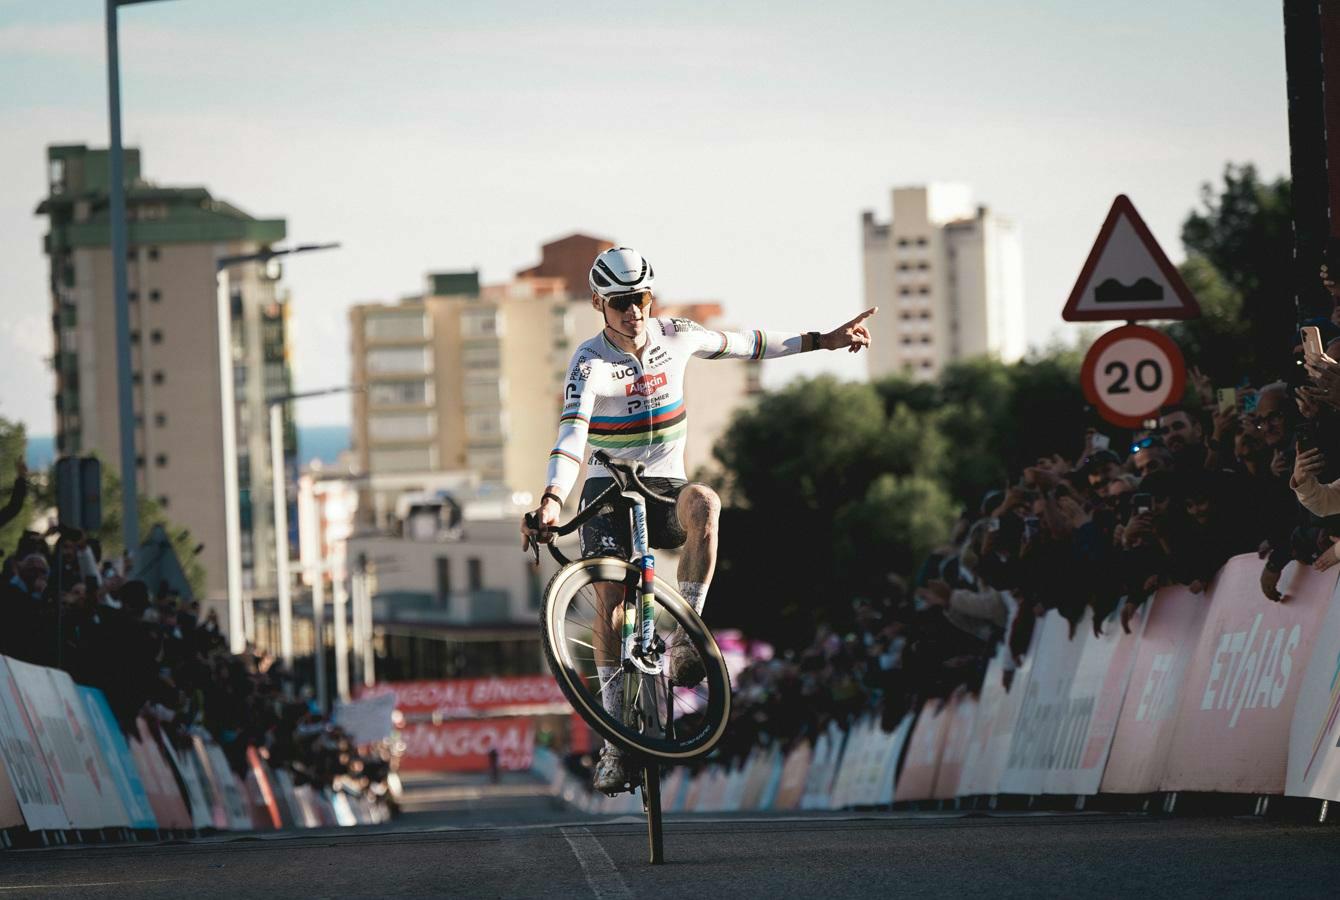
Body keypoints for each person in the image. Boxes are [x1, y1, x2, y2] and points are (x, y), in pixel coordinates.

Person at [519, 246, 876, 794]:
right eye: (619, 303)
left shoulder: (676, 334)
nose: (632, 312)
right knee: (613, 604)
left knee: (705, 502)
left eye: (639, 299)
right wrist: (550, 500)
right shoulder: (590, 364)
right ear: (598, 303)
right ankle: (616, 743)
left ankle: (687, 638)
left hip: (664, 485)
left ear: (650, 297)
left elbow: (749, 344)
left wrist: (823, 340)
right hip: (606, 490)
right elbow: (570, 435)